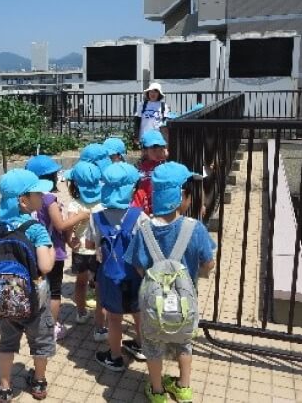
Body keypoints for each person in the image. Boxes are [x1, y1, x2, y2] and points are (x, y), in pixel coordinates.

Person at [125, 162, 216, 403]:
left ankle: (156, 392)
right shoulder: (195, 228)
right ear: (181, 197)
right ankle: (183, 388)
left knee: (153, 346)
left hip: (153, 303)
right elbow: (208, 264)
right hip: (185, 302)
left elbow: (137, 266)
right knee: (184, 344)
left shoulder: (143, 229)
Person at [0, 169, 56, 402]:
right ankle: (39, 383)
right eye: (37, 194)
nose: (42, 197)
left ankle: (4, 387)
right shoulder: (35, 229)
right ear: (24, 202)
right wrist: (51, 249)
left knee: (7, 344)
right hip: (35, 301)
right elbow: (45, 266)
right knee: (41, 342)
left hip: (6, 300)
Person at [85, 162, 148, 372]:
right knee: (138, 312)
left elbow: (89, 244)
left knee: (114, 319)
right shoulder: (139, 216)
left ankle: (115, 356)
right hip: (137, 275)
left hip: (110, 277)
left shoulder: (96, 217)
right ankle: (141, 346)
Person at [25, 155, 90, 341]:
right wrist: (80, 216)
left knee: (38, 286)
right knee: (54, 292)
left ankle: (34, 320)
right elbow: (60, 225)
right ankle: (51, 327)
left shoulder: (27, 196)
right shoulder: (48, 199)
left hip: (34, 250)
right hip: (53, 252)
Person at [65, 161, 106, 340]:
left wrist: (68, 240)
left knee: (80, 283)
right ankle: (100, 328)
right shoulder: (103, 202)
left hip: (80, 250)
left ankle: (81, 313)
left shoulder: (74, 204)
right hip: (98, 251)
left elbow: (68, 228)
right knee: (100, 289)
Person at [132, 130, 168, 215]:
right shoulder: (138, 167)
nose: (158, 152)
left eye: (161, 149)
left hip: (159, 207)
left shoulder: (165, 166)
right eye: (154, 150)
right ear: (144, 150)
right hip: (141, 208)